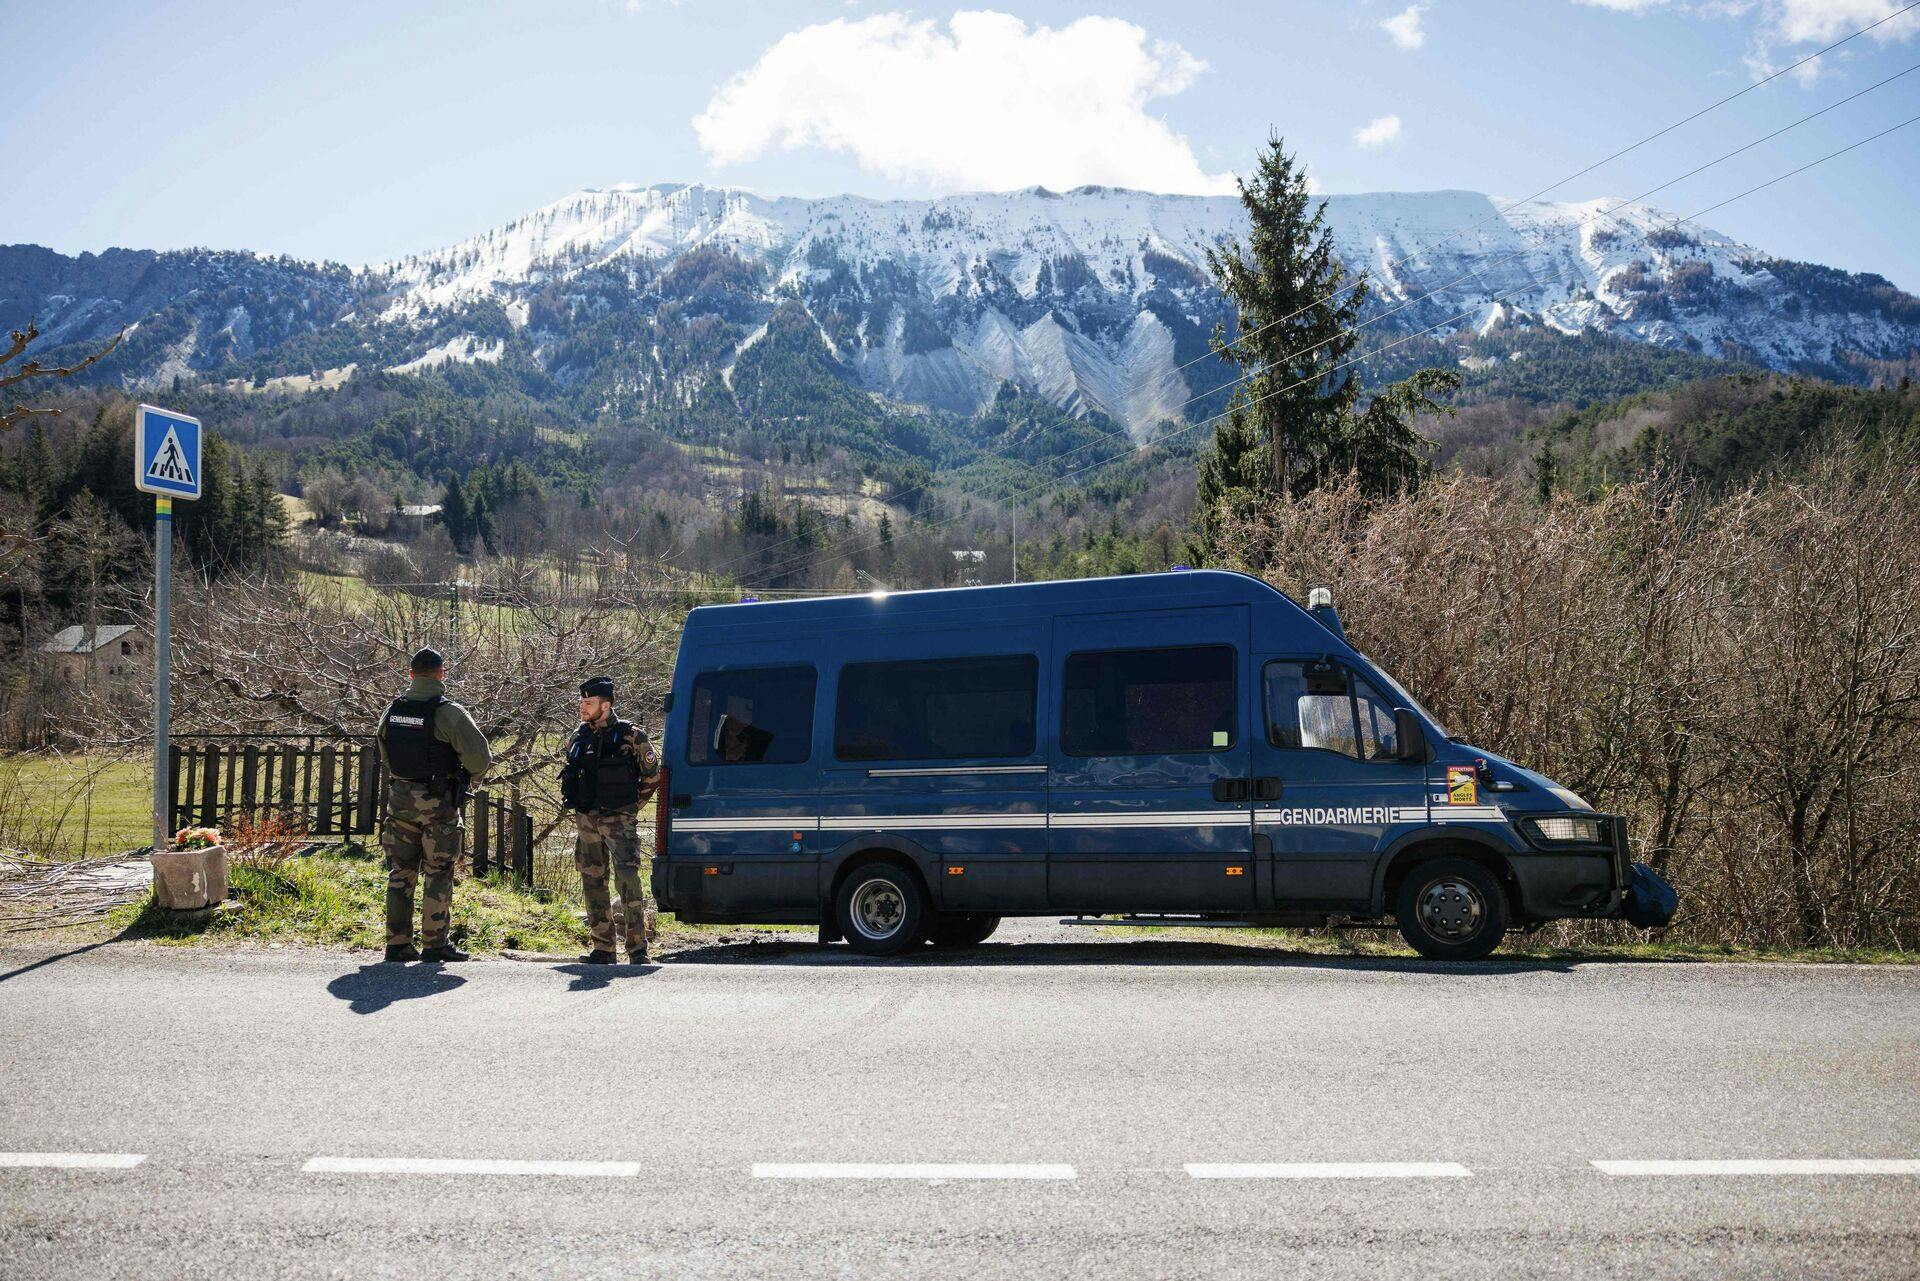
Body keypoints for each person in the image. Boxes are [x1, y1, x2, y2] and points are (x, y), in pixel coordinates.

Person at [375, 647, 491, 963]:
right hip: (438, 802)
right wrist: (467, 778)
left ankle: (397, 944)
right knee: (438, 870)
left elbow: (383, 750)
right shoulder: (448, 712)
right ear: (442, 673)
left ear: (411, 675)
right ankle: (435, 943)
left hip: (399, 801)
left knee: (401, 871)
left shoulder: (392, 710)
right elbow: (480, 757)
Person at [561, 676, 661, 964]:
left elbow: (652, 777)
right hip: (587, 822)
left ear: (606, 705)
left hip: (619, 821)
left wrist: (630, 808)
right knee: (593, 882)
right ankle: (603, 948)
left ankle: (637, 949)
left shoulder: (632, 735)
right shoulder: (579, 736)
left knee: (628, 884)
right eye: (581, 701)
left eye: (588, 702)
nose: (582, 707)